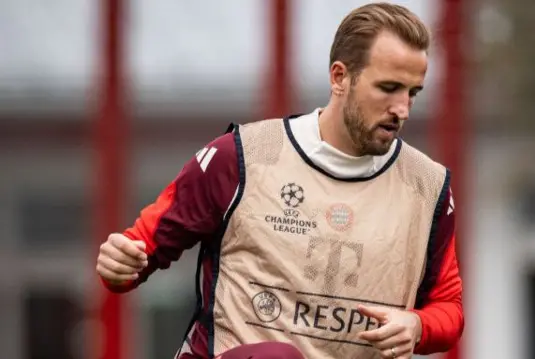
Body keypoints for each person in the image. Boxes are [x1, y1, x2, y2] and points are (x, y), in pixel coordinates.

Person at [95, 3, 464, 359]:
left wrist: (418, 326)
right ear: (340, 77)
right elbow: (138, 251)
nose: (402, 108)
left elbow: (449, 307)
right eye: (388, 88)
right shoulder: (241, 157)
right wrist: (119, 264)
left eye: (412, 93)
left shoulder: (427, 187)